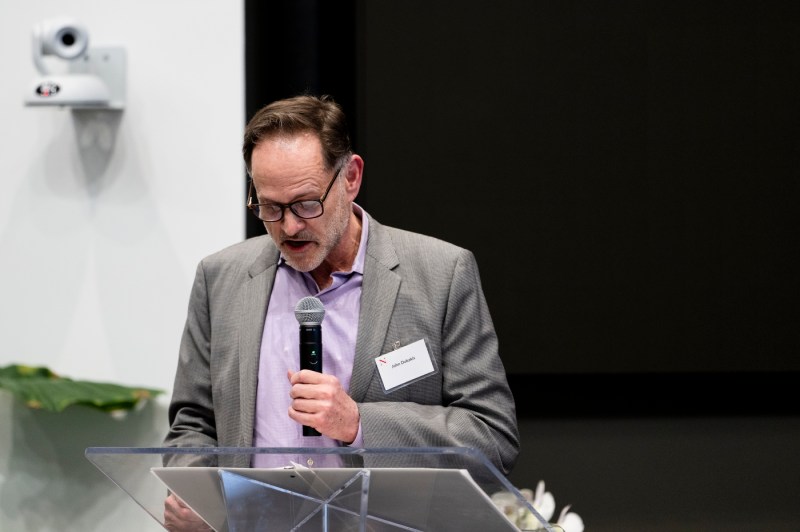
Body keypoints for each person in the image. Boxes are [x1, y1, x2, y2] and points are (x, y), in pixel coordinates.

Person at [162, 94, 519, 530]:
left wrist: (359, 424)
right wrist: (198, 494)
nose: (289, 226)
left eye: (307, 203)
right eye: (270, 207)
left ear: (350, 177)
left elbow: (492, 439)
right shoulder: (221, 278)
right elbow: (193, 422)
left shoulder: (440, 274)